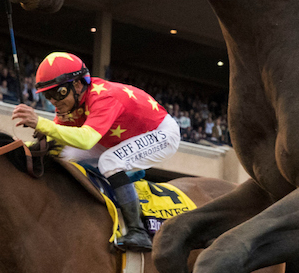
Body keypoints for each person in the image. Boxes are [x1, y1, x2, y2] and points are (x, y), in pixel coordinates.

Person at [11, 53, 180, 251]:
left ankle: (138, 231)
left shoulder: (103, 97)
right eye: (48, 95)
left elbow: (86, 140)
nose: (54, 101)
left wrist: (40, 122)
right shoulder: (70, 103)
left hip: (161, 133)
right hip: (118, 138)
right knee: (66, 155)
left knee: (110, 161)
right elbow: (56, 140)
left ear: (77, 85)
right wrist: (23, 149)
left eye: (59, 92)